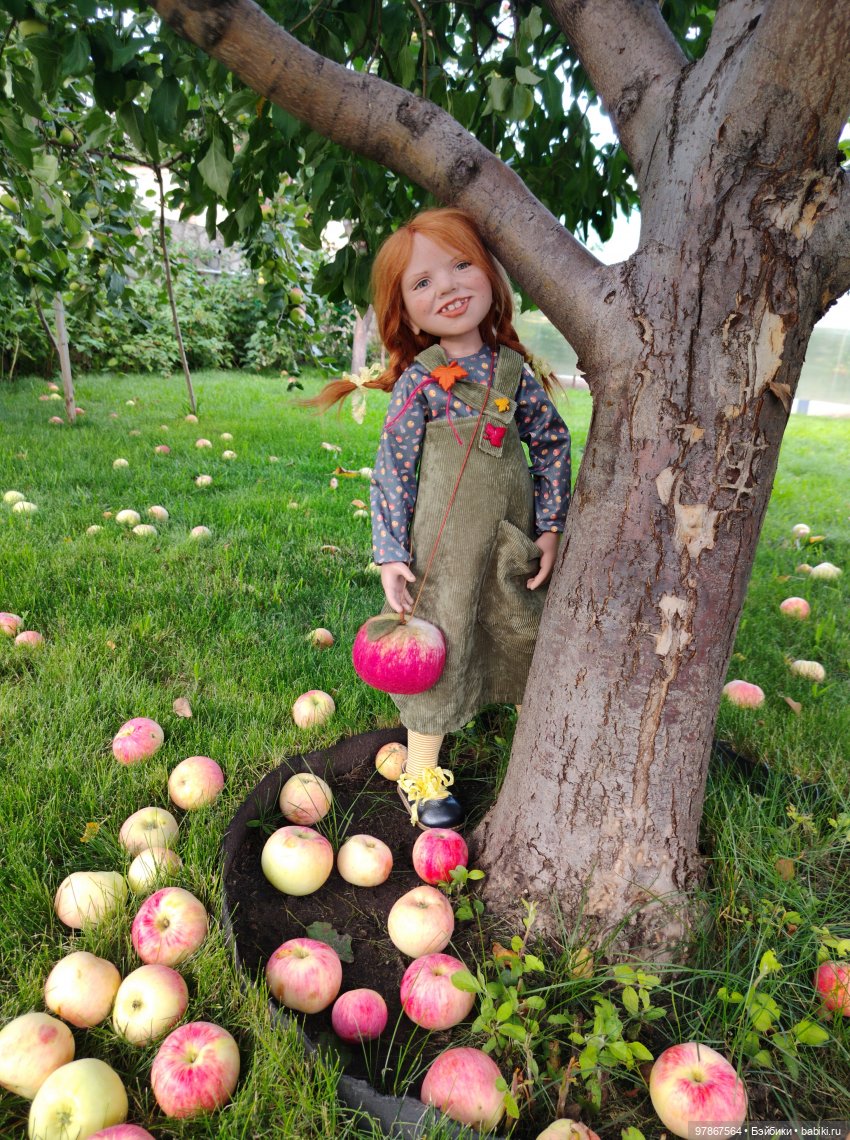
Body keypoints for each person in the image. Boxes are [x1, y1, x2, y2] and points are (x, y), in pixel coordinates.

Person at [316, 207, 571, 827]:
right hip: (441, 552)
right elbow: (394, 469)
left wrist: (551, 525)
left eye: (461, 266)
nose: (449, 287)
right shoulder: (422, 384)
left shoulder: (515, 375)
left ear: (489, 273)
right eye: (423, 283)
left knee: (513, 628)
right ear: (404, 309)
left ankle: (540, 748)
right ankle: (421, 768)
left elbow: (553, 443)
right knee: (441, 640)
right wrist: (391, 553)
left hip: (509, 542)